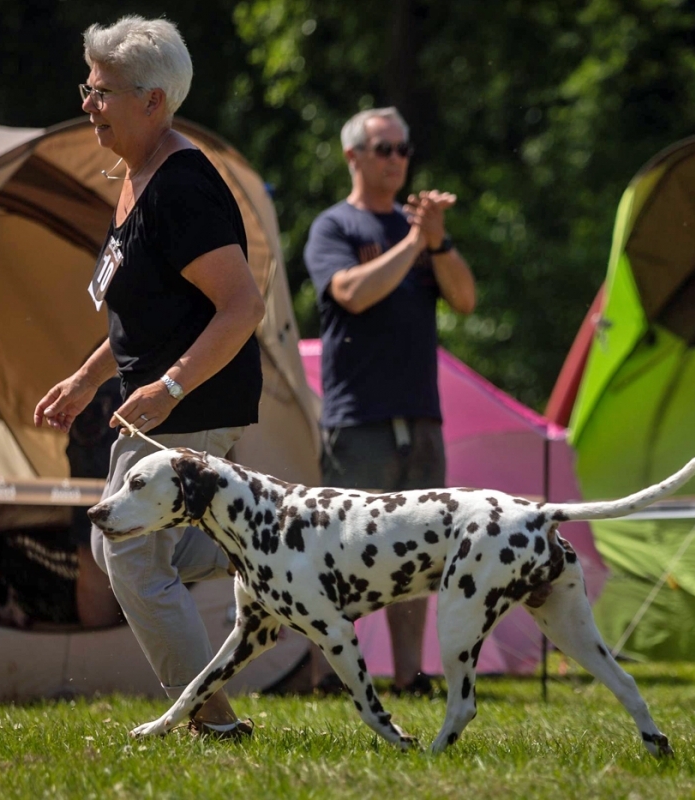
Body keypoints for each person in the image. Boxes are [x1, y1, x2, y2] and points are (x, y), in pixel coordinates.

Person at [33, 15, 265, 738]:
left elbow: (243, 305)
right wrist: (83, 379)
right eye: (89, 87)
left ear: (153, 101)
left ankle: (212, 721)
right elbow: (142, 313)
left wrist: (169, 388)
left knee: (129, 553)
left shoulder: (180, 188)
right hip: (160, 403)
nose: (88, 104)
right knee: (122, 545)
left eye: (101, 92)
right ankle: (262, 547)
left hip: (187, 404)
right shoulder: (137, 177)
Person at [303, 107, 476, 694]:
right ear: (353, 156)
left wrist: (440, 241)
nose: (397, 159)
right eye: (384, 149)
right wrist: (414, 241)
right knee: (344, 555)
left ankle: (408, 676)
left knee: (422, 553)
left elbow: (466, 299)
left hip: (420, 416)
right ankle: (332, 676)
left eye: (403, 149)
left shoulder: (423, 236)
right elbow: (352, 293)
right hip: (358, 420)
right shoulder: (333, 227)